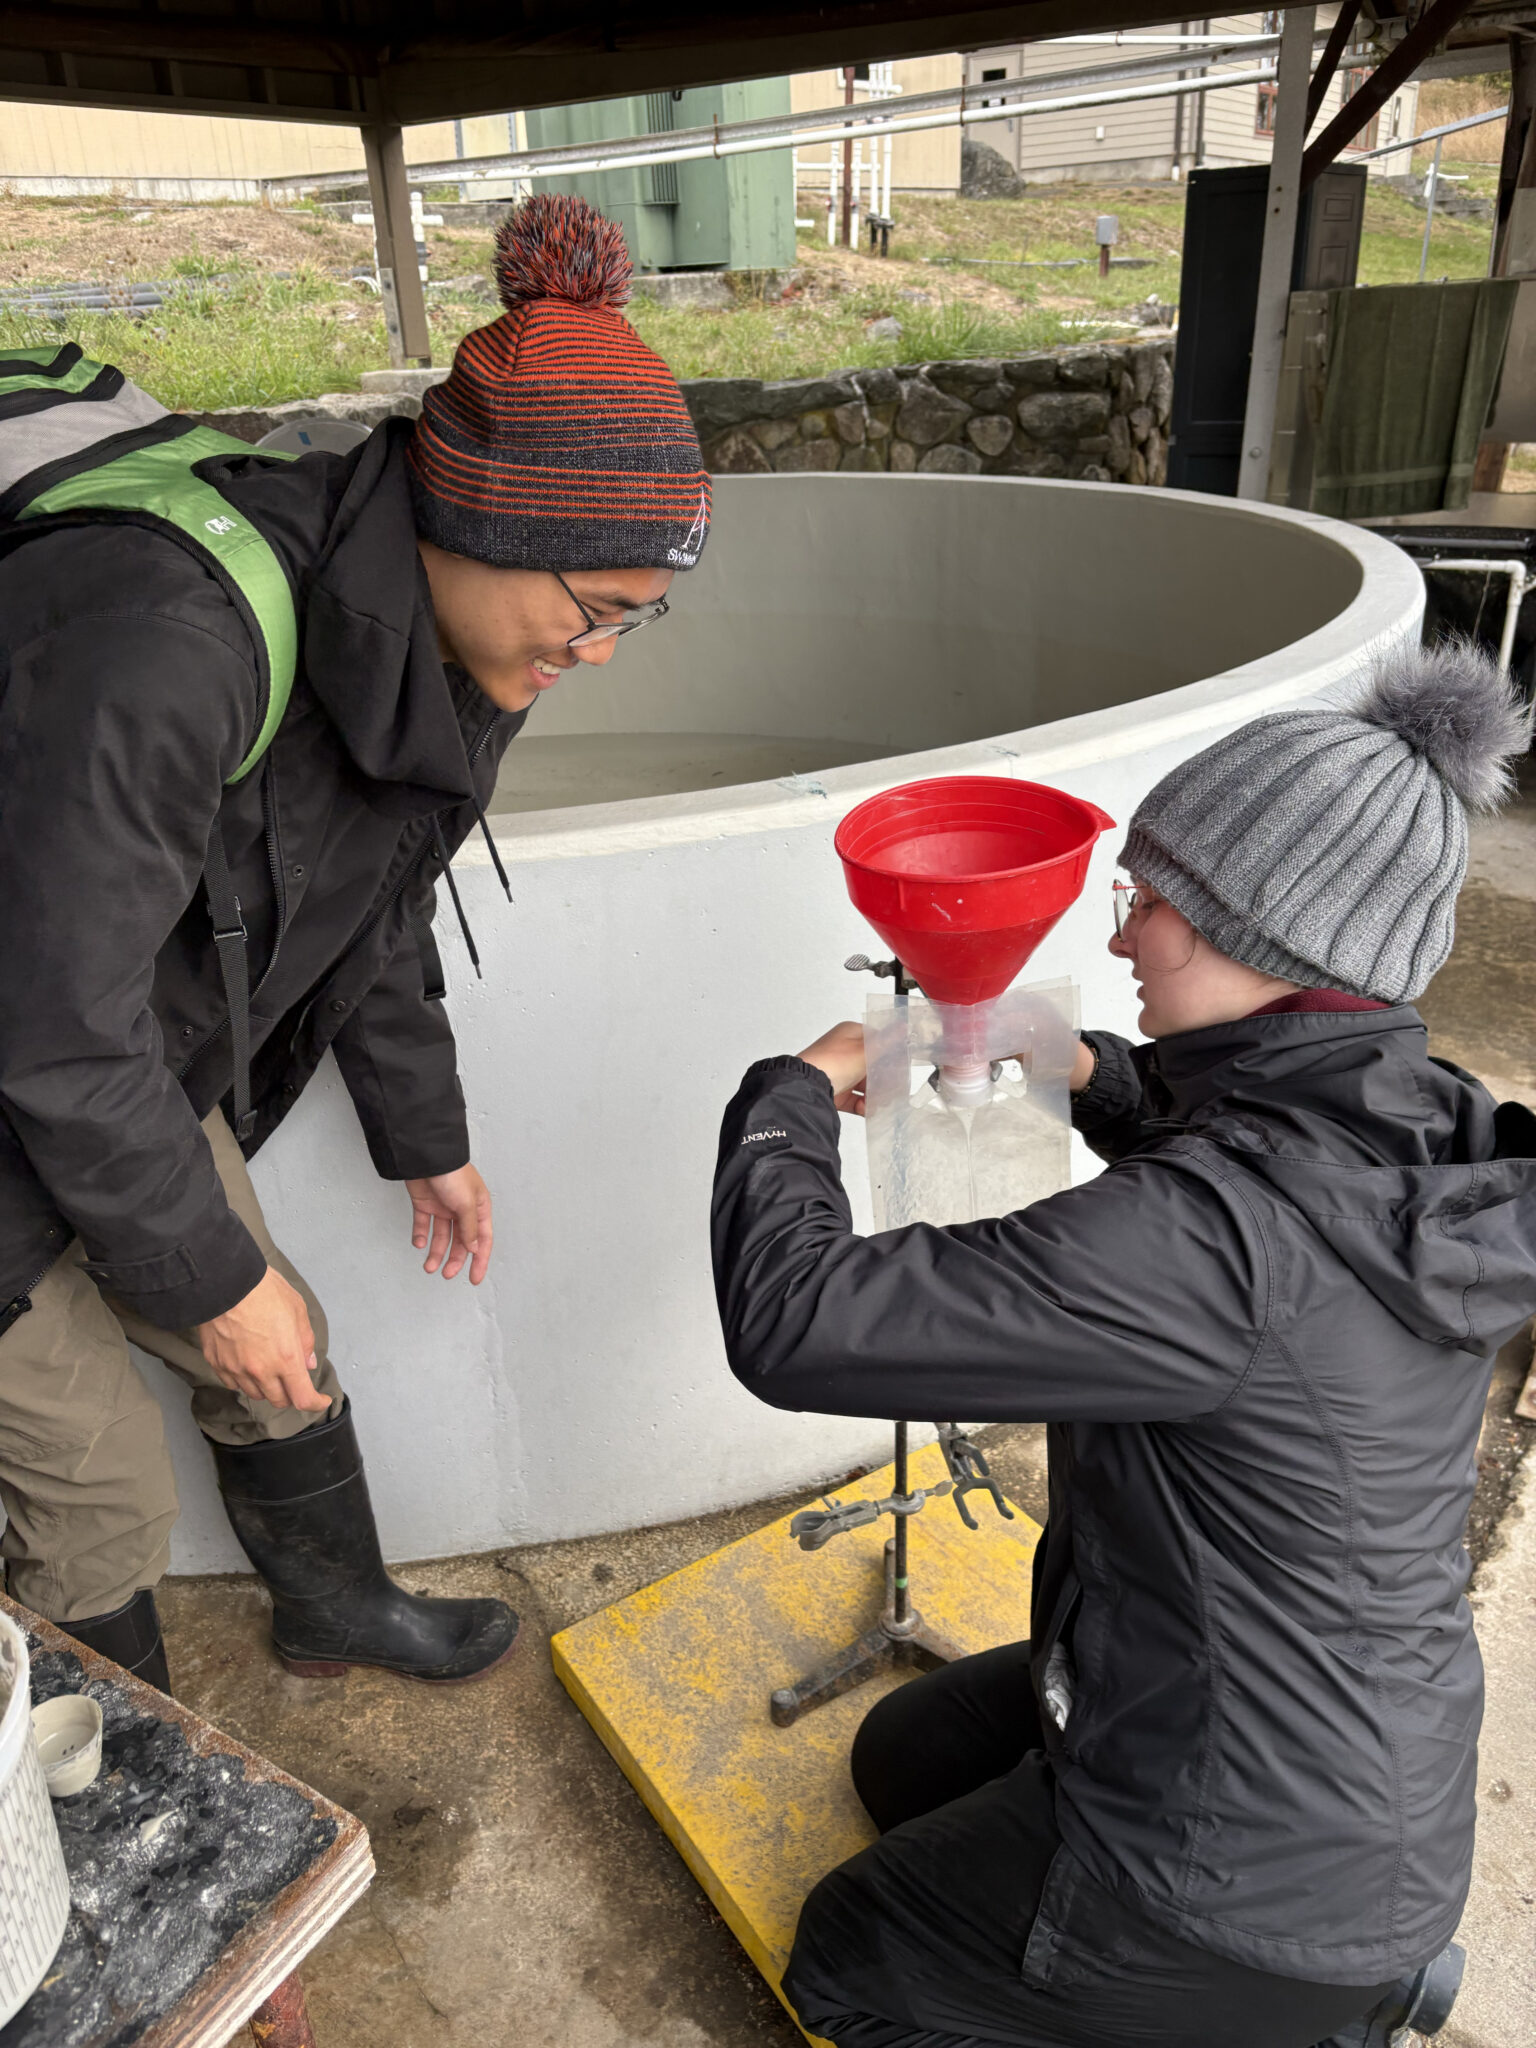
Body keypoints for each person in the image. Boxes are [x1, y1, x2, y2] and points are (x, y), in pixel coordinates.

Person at [711, 644, 1535, 2048]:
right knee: (901, 1759)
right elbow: (1249, 1125)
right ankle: (1311, 1987)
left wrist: (785, 1098)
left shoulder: (1207, 1243)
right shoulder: (1426, 1115)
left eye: (1143, 902)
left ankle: (1291, 2012)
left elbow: (799, 1319)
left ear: (1247, 932)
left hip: (1249, 1881)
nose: (1118, 939)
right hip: (1337, 1765)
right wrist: (1081, 1065)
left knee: (844, 1959)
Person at [0, 195, 709, 1692]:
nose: (592, 657)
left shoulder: (441, 647)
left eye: (631, 624)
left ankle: (334, 1608)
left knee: (284, 1345)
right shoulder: (167, 649)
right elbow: (51, 1021)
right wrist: (207, 1277)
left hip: (92, 1043)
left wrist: (425, 1138)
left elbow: (368, 890)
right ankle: (119, 1788)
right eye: (596, 611)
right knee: (97, 1492)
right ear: (491, 528)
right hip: (41, 1036)